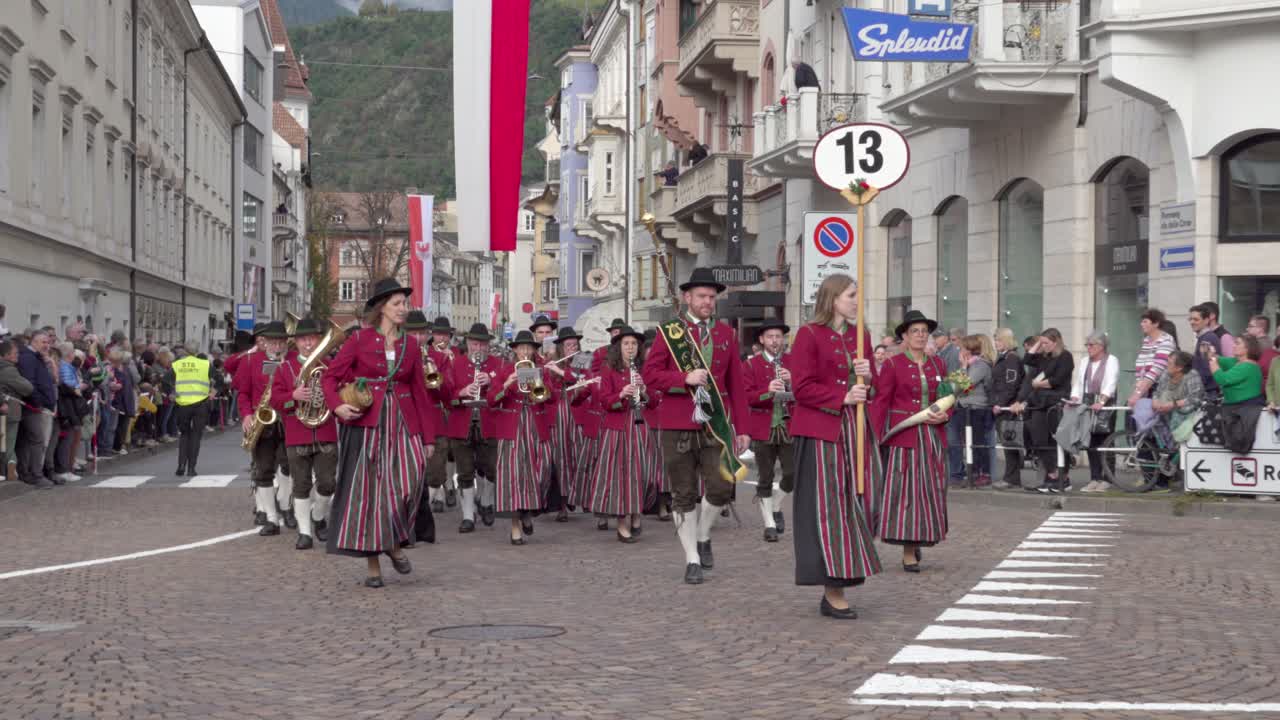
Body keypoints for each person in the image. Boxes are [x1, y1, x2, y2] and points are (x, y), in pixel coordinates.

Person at [322, 277, 438, 588]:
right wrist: (337, 407)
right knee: (369, 496)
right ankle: (375, 566)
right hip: (367, 425)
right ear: (382, 308)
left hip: (403, 422)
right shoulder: (359, 340)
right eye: (397, 304)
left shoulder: (411, 346)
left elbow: (420, 394)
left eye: (405, 303)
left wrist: (428, 439)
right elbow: (330, 379)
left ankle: (394, 542)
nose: (404, 309)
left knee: (410, 484)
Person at [641, 267, 749, 585]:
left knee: (720, 487)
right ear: (687, 297)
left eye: (712, 297)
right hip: (677, 422)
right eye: (702, 296)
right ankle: (691, 557)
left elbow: (737, 386)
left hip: (715, 424)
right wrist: (682, 378)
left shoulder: (726, 334)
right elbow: (651, 376)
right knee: (683, 494)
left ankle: (703, 536)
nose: (707, 302)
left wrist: (742, 428)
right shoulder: (670, 332)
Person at [787, 274, 880, 618]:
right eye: (851, 295)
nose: (857, 301)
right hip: (820, 433)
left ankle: (846, 574)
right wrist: (841, 396)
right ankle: (832, 587)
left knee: (855, 504)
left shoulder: (861, 337)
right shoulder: (809, 335)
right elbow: (802, 387)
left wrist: (868, 376)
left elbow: (874, 388)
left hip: (854, 431)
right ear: (833, 298)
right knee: (827, 510)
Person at [878, 309, 950, 572]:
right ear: (904, 337)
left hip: (931, 437)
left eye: (924, 331)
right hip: (904, 437)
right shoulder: (892, 364)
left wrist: (945, 414)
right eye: (915, 332)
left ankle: (920, 535)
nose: (920, 336)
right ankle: (908, 549)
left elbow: (948, 395)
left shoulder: (938, 364)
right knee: (907, 493)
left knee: (930, 490)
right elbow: (881, 403)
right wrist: (873, 438)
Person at [270, 318, 341, 550]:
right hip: (297, 433)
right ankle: (305, 533)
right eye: (303, 339)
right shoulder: (285, 368)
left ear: (319, 340)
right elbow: (275, 400)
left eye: (311, 338)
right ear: (296, 342)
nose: (308, 343)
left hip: (325, 431)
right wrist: (294, 396)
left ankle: (318, 516)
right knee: (300, 486)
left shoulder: (330, 365)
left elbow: (341, 391)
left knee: (327, 484)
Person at [587, 325, 656, 543]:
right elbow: (604, 401)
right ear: (619, 347)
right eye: (626, 344)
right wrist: (621, 394)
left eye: (634, 344)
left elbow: (653, 401)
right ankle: (622, 524)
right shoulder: (609, 369)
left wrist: (643, 391)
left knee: (643, 474)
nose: (630, 347)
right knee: (619, 478)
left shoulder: (645, 369)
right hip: (617, 429)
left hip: (639, 426)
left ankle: (636, 513)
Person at [487, 330, 556, 545]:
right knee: (513, 477)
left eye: (529, 348)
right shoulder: (505, 370)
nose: (525, 352)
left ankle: (528, 511)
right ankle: (515, 525)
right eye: (522, 348)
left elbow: (551, 397)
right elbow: (491, 400)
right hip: (512, 428)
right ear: (515, 350)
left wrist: (540, 385)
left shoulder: (541, 370)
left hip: (535, 425)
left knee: (539, 472)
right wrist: (507, 383)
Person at [445, 323, 504, 533]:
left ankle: (486, 502)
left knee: (490, 469)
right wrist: (461, 392)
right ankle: (468, 516)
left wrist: (492, 381)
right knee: (465, 471)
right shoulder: (455, 365)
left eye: (482, 345)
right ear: (468, 344)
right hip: (462, 424)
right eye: (474, 344)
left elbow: (504, 393)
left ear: (488, 346)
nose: (478, 348)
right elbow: (446, 396)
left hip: (490, 423)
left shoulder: (498, 364)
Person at [237, 321, 293, 534]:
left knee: (288, 466)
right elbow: (242, 393)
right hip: (262, 422)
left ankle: (286, 506)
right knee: (264, 470)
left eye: (281, 342)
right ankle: (271, 518)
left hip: (288, 420)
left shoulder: (292, 362)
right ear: (265, 342)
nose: (277, 346)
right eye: (273, 342)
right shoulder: (251, 361)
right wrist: (246, 415)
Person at [741, 321, 794, 542]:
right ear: (762, 340)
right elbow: (746, 397)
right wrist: (767, 391)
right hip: (763, 427)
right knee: (765, 476)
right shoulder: (751, 365)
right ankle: (769, 524)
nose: (775, 341)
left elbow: (805, 392)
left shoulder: (792, 363)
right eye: (770, 336)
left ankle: (776, 505)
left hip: (789, 426)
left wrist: (792, 382)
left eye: (778, 336)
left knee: (792, 474)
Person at [1010, 329, 1075, 493]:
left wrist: (1038, 384)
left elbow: (1058, 380)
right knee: (1038, 438)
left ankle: (1063, 477)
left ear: (1056, 342)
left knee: (1057, 440)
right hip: (1040, 402)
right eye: (1042, 343)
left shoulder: (1065, 356)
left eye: (1046, 343)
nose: (1043, 346)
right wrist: (1038, 342)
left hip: (1055, 402)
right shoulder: (1044, 357)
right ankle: (1052, 474)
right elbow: (1028, 358)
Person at [406, 311, 454, 527]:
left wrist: (438, 379)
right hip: (408, 421)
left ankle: (422, 509)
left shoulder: (440, 358)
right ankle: (411, 517)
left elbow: (449, 393)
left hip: (435, 419)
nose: (418, 338)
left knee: (435, 473)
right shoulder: (399, 356)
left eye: (422, 333)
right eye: (413, 333)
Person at [1072, 331, 1121, 494]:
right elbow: (1079, 382)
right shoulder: (1085, 361)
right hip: (1088, 402)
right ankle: (1094, 477)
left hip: (1104, 403)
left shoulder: (1111, 360)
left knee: (1105, 439)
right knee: (1090, 441)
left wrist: (1101, 401)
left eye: (1091, 345)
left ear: (1102, 346)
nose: (1088, 348)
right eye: (1087, 345)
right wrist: (1074, 397)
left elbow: (1111, 382)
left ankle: (1107, 478)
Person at [545, 325, 585, 521]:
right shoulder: (552, 361)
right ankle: (561, 502)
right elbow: (547, 387)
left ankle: (578, 495)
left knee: (578, 455)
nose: (572, 348)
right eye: (568, 345)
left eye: (575, 344)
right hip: (559, 413)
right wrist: (551, 370)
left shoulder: (582, 359)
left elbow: (583, 379)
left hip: (577, 412)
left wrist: (563, 372)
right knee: (560, 457)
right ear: (561, 346)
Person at [16, 330, 56, 488]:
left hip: (36, 404)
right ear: (34, 342)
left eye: (48, 342)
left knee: (29, 440)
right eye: (43, 342)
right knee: (36, 439)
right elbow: (29, 383)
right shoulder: (28, 358)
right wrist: (39, 401)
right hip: (31, 405)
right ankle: (35, 475)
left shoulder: (36, 357)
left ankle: (29, 473)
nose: (47, 345)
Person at [955, 334, 994, 487]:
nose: (960, 350)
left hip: (976, 408)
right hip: (964, 407)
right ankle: (973, 471)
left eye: (962, 348)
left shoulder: (980, 365)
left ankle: (984, 473)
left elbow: (965, 386)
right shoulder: (968, 365)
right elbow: (955, 385)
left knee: (978, 441)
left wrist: (963, 368)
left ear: (970, 350)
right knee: (968, 443)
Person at [172, 344, 214, 477]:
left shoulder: (178, 364)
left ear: (185, 351)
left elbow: (166, 380)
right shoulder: (204, 364)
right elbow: (219, 378)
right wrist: (213, 392)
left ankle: (181, 465)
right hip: (200, 402)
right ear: (197, 351)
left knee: (184, 434)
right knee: (196, 435)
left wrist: (171, 394)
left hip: (183, 403)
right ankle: (191, 469)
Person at [1153, 351, 1204, 448]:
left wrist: (1173, 404)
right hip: (1165, 412)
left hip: (1187, 414)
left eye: (1169, 363)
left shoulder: (1191, 375)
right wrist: (1155, 402)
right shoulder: (1166, 374)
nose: (1166, 365)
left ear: (1179, 367)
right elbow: (1157, 392)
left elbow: (1195, 399)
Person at [0, 340, 33, 483]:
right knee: (8, 442)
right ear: (6, 354)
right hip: (10, 411)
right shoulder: (9, 370)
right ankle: (10, 467)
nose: (18, 356)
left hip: (7, 409)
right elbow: (27, 388)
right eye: (15, 353)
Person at [1131, 309, 1177, 407]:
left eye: (1145, 321)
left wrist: (1137, 394)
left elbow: (1156, 370)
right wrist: (1139, 389)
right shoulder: (1146, 341)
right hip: (1145, 391)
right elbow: (1141, 369)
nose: (1141, 324)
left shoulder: (1166, 341)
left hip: (1160, 392)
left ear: (1156, 323)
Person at [1211, 334, 1264, 407]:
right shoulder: (1238, 361)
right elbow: (1220, 359)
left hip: (1246, 407)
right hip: (1240, 407)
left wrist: (1212, 361)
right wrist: (1210, 352)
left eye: (1237, 343)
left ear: (1247, 348)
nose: (1233, 346)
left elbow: (1222, 379)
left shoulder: (1247, 366)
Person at [1246, 315, 1278, 385]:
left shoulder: (1257, 344)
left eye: (1250, 326)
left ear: (1261, 329)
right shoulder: (1270, 342)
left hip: (1257, 383)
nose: (1247, 329)